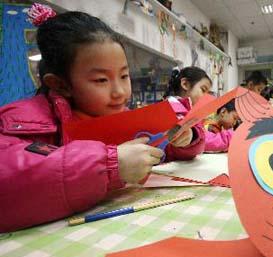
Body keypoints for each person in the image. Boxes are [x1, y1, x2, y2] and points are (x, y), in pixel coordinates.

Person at [0, 5, 196, 232]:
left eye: (124, 75)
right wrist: (111, 165)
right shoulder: (22, 120)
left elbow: (161, 147)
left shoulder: (120, 116)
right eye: (102, 80)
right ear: (60, 84)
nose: (120, 92)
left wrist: (185, 137)